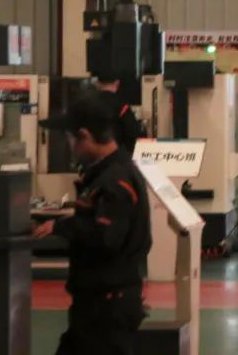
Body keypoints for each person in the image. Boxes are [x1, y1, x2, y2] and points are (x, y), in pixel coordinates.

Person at [33, 92, 152, 355]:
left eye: (69, 138)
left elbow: (106, 237)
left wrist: (62, 227)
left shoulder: (115, 180)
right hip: (96, 304)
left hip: (107, 307)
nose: (69, 146)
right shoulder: (106, 174)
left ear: (84, 136)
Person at [96, 77, 143, 154]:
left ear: (97, 83)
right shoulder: (122, 106)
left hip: (92, 155)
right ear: (117, 83)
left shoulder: (87, 104)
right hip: (116, 154)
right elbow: (133, 132)